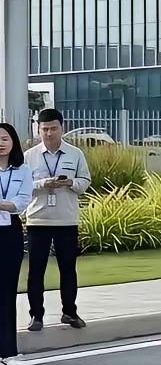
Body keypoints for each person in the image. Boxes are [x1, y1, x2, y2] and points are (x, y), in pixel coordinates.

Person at [24, 109, 90, 332]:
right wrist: (43, 184)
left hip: (66, 220)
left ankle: (70, 312)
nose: (49, 133)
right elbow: (22, 186)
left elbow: (85, 181)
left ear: (62, 128)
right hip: (38, 221)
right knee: (36, 270)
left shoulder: (75, 154)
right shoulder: (29, 156)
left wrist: (71, 183)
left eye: (53, 128)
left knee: (68, 269)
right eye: (45, 129)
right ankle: (36, 315)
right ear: (38, 130)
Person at [0, 123, 33, 365]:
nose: (0, 143)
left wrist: (4, 204)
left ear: (13, 142)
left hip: (10, 231)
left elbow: (21, 202)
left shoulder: (23, 170)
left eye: (4, 138)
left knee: (7, 291)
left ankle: (8, 351)